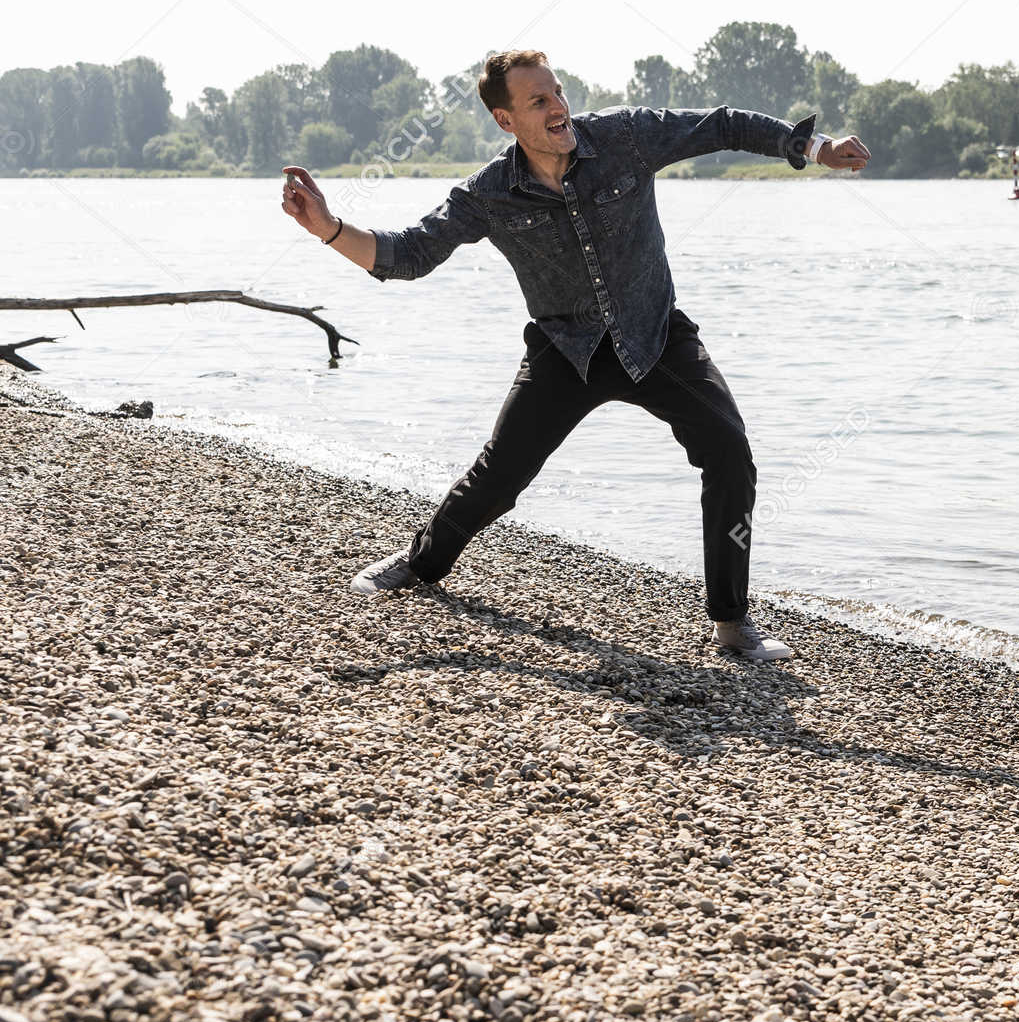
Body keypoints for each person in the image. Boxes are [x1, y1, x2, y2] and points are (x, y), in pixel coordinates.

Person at [279, 48, 871, 662]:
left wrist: (814, 148)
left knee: (730, 455)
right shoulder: (488, 195)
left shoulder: (627, 136)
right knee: (500, 476)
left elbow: (722, 124)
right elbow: (408, 255)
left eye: (558, 91)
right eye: (538, 100)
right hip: (566, 350)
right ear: (507, 120)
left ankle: (732, 624)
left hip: (656, 338)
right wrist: (328, 227)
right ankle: (420, 566)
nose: (558, 106)